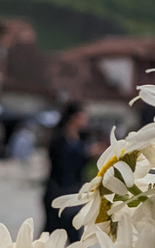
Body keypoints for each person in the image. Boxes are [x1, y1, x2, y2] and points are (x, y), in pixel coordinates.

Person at [43, 102, 99, 242]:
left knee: (74, 235)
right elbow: (64, 163)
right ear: (74, 117)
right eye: (83, 116)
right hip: (58, 190)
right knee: (52, 234)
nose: (86, 120)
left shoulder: (79, 139)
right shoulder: (59, 139)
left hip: (74, 191)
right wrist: (86, 155)